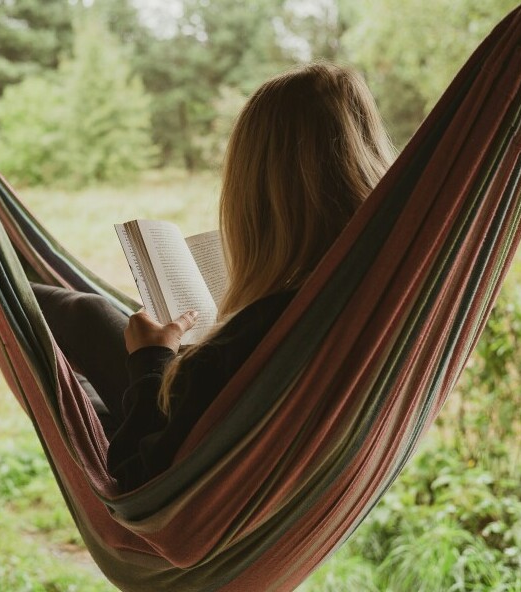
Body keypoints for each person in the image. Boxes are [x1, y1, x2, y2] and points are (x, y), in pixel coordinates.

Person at [33, 62, 395, 492]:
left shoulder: (248, 336)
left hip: (194, 482)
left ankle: (9, 286)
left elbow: (134, 477)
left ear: (258, 192)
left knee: (82, 315)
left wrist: (151, 362)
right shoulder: (381, 279)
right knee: (89, 334)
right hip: (289, 472)